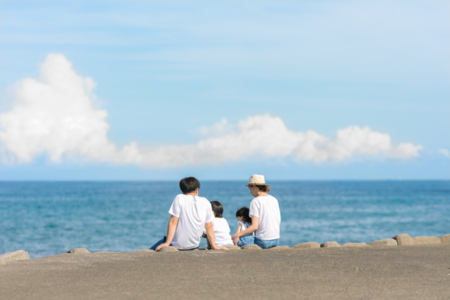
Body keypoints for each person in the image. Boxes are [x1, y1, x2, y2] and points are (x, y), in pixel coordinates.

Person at [150, 177, 228, 251]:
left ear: (182, 191)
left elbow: (173, 222)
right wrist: (214, 246)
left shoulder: (179, 198)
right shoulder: (205, 202)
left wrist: (167, 243)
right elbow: (209, 226)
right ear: (197, 190)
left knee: (151, 250)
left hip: (176, 245)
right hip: (194, 246)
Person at [231, 174, 281, 249]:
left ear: (254, 186)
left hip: (263, 240)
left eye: (249, 187)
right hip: (276, 239)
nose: (250, 191)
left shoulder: (255, 201)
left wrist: (238, 235)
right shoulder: (274, 199)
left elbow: (254, 227)